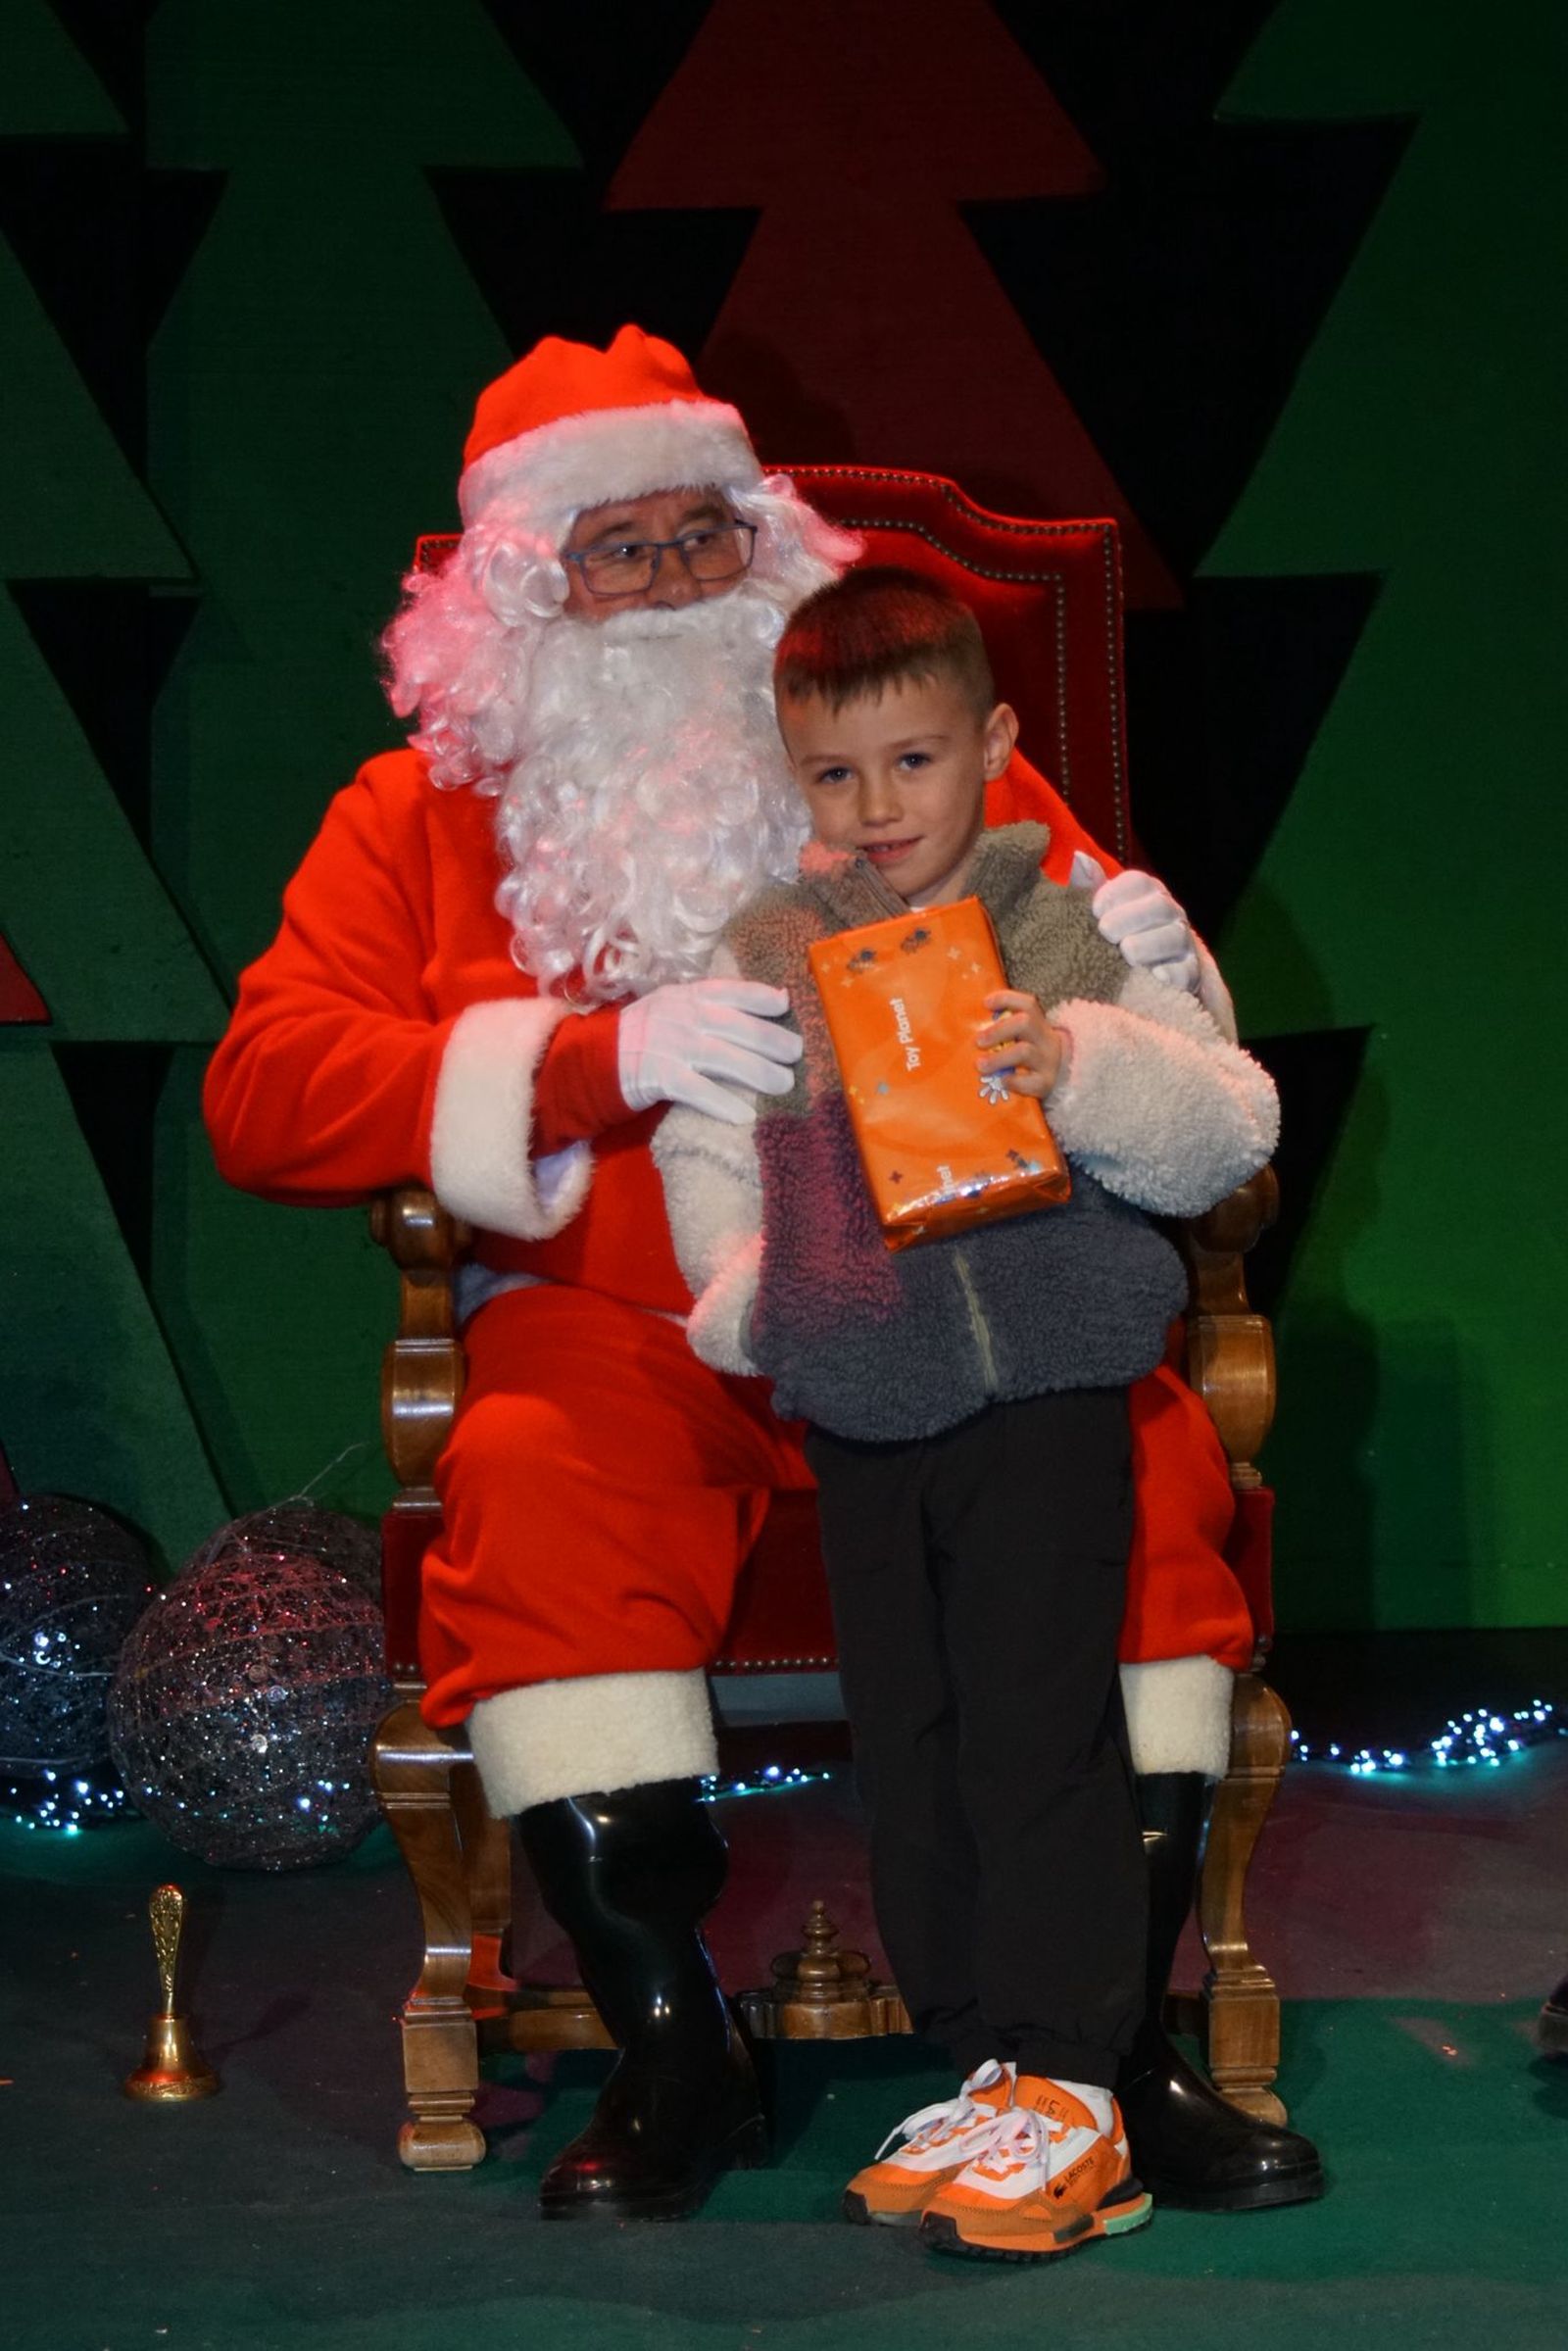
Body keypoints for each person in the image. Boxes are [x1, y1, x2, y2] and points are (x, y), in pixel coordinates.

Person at [203, 324, 1320, 2221]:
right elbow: (262, 1090)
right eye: (614, 548)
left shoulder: (900, 753)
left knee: (1146, 1478)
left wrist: (1160, 970)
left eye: (701, 534)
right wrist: (592, 1064)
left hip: (968, 1306)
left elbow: (1143, 1012)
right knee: (534, 1487)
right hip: (628, 1327)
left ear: (765, 546)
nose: (667, 583)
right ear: (518, 592)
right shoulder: (413, 817)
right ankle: (672, 2047)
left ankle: (1109, 2051)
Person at [652, 568, 1279, 2257]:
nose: (879, 806)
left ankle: (1074, 2081)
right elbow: (707, 1159)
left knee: (1035, 1728)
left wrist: (1076, 1063)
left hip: (1049, 1391)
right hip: (867, 1402)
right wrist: (761, 1302)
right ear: (796, 774)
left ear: (995, 744)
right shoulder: (768, 950)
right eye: (836, 773)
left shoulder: (1071, 920)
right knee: (912, 1746)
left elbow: (1228, 1129)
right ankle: (988, 2064)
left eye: (914, 761)